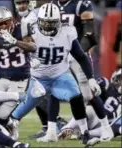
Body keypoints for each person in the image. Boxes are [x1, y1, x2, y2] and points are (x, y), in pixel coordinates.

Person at [9, 3, 103, 147]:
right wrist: (29, 60)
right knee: (20, 110)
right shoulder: (30, 31)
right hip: (38, 79)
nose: (47, 26)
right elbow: (19, 51)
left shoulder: (67, 32)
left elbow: (81, 57)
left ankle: (85, 133)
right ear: (38, 21)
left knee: (76, 96)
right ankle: (6, 129)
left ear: (59, 21)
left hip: (60, 76)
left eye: (51, 23)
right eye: (44, 23)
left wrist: (91, 79)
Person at [28, 0, 113, 141]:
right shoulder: (52, 5)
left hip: (75, 51)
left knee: (88, 93)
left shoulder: (81, 4)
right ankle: (51, 131)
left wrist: (73, 49)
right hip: (58, 53)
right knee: (53, 90)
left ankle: (106, 128)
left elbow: (90, 35)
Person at [0, 6, 46, 140]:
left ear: (12, 20)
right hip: (1, 77)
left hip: (20, 79)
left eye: (6, 22)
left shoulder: (22, 28)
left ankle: (6, 128)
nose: (3, 26)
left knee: (1, 115)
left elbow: (33, 47)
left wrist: (15, 41)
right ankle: (4, 128)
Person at [59, 68, 121, 140]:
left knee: (110, 129)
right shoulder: (106, 84)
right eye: (120, 78)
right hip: (92, 116)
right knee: (90, 108)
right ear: (115, 78)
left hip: (104, 125)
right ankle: (69, 126)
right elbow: (89, 91)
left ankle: (84, 134)